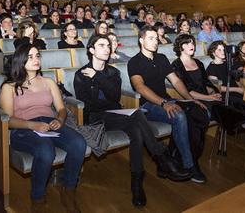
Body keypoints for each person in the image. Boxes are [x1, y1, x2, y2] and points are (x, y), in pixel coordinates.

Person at [74, 35, 187, 207]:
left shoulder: (113, 72)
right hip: (95, 118)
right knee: (137, 116)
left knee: (136, 129)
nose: (107, 49)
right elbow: (90, 104)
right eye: (101, 45)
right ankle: (160, 157)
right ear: (91, 50)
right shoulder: (80, 74)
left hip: (115, 113)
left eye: (108, 46)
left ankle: (137, 184)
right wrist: (99, 81)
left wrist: (97, 77)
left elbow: (114, 97)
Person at [0, 44, 86, 212]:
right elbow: (8, 120)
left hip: (49, 123)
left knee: (79, 143)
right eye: (30, 57)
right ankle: (37, 197)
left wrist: (60, 120)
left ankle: (68, 190)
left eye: (37, 56)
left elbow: (60, 109)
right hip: (23, 128)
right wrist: (33, 125)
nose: (36, 60)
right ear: (21, 60)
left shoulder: (48, 82)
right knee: (46, 151)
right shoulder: (9, 87)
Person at [128, 25, 209, 183]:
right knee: (178, 115)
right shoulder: (134, 62)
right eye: (151, 38)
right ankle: (189, 165)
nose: (155, 41)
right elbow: (140, 87)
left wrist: (190, 99)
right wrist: (163, 102)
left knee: (197, 112)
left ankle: (174, 156)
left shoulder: (161, 58)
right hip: (147, 106)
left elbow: (176, 80)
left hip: (167, 100)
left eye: (156, 38)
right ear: (141, 40)